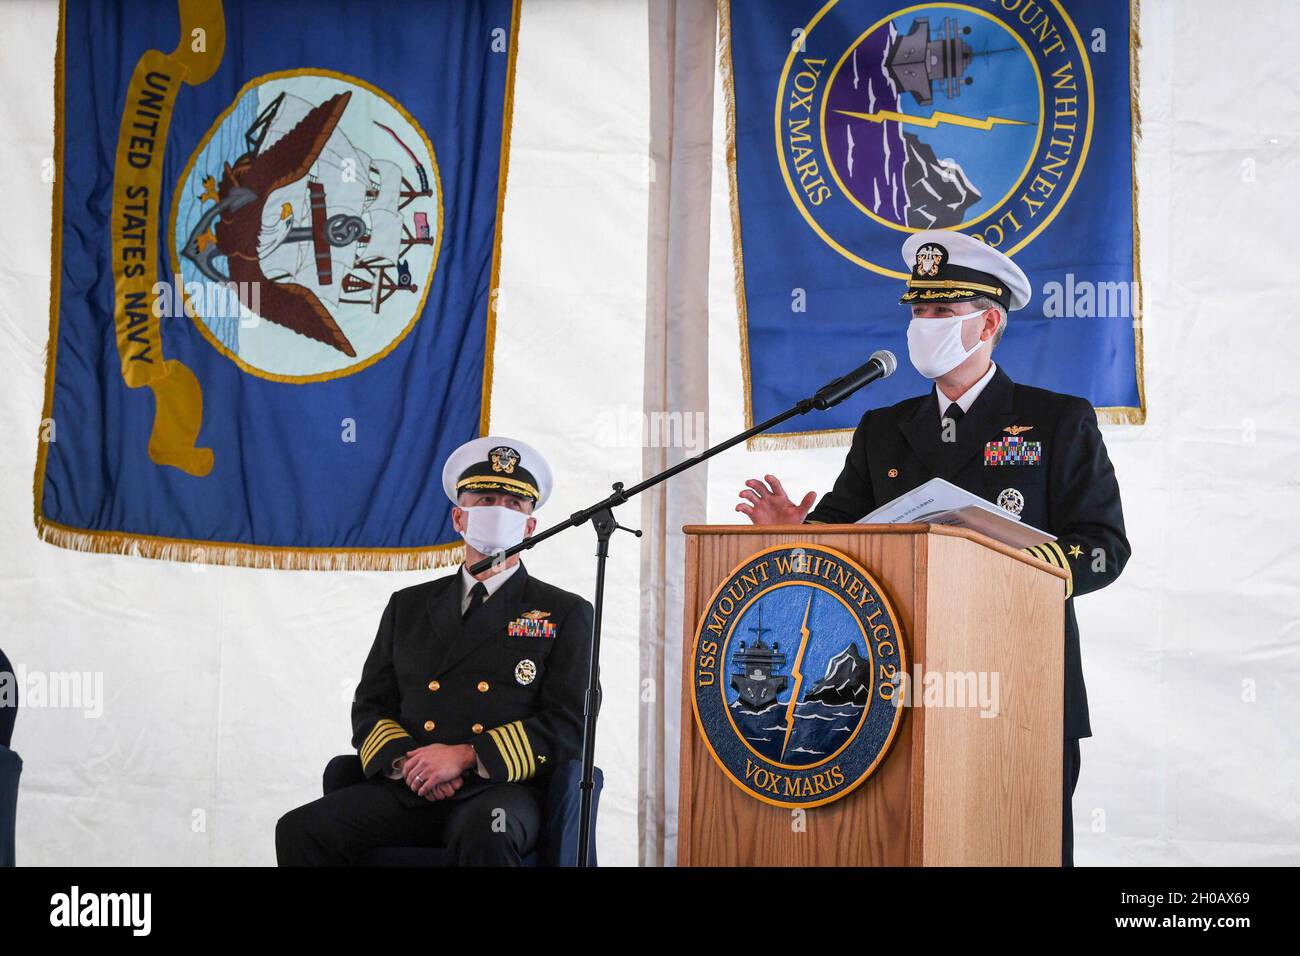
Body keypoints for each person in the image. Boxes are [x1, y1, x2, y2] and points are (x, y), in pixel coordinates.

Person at [735, 229, 1130, 866]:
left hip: (1020, 678)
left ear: (989, 322)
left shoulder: (1059, 419)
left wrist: (1023, 568)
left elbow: (1105, 545)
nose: (923, 324)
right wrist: (793, 533)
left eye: (942, 312)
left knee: (1014, 846)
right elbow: (841, 544)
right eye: (918, 310)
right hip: (898, 686)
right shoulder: (883, 429)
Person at [276, 437, 593, 866]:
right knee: (301, 830)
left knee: (488, 830)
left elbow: (570, 724)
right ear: (459, 518)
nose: (498, 511)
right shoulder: (408, 606)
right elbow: (370, 705)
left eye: (512, 505)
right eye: (485, 499)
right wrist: (410, 764)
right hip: (413, 787)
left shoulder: (565, 611)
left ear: (530, 527)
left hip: (501, 791)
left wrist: (464, 757)